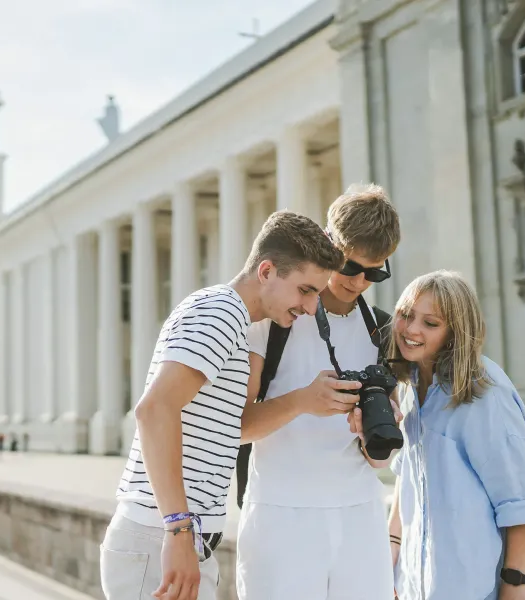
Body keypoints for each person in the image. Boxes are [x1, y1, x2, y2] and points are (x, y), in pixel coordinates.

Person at [101, 211, 345, 600]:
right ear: (266, 271)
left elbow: (235, 426)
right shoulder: (221, 313)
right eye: (305, 290)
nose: (312, 306)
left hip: (179, 538)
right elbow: (154, 410)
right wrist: (178, 528)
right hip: (160, 537)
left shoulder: (235, 321)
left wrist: (303, 401)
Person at [236, 183, 403, 599]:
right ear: (330, 245)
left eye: (375, 272)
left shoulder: (382, 330)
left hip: (361, 514)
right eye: (350, 267)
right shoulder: (272, 318)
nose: (361, 281)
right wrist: (302, 402)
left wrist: (379, 432)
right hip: (281, 515)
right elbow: (236, 427)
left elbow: (379, 458)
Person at [363, 270, 525, 600]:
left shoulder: (485, 391)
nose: (411, 329)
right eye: (406, 315)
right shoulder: (408, 388)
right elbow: (408, 480)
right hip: (418, 587)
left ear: (454, 333)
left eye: (430, 323)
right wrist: (391, 553)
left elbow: (519, 500)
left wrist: (515, 584)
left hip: (477, 590)